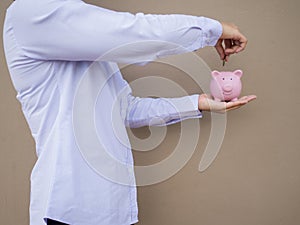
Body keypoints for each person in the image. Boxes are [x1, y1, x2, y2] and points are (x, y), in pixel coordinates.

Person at [3, 0, 256, 225]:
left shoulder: (86, 40)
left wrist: (198, 102)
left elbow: (125, 109)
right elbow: (135, 32)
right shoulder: (31, 11)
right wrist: (212, 30)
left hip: (112, 210)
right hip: (66, 211)